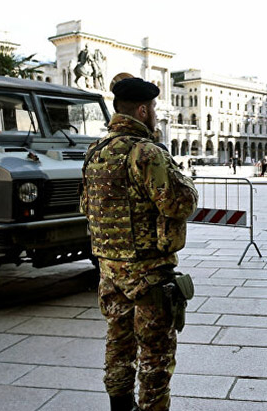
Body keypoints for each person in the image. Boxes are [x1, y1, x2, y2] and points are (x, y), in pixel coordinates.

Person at [82, 75, 199, 411]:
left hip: (109, 270)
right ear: (144, 110)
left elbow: (86, 207)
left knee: (117, 342)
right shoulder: (145, 152)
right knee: (155, 355)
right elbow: (179, 203)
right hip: (147, 273)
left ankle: (120, 406)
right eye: (154, 108)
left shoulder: (96, 152)